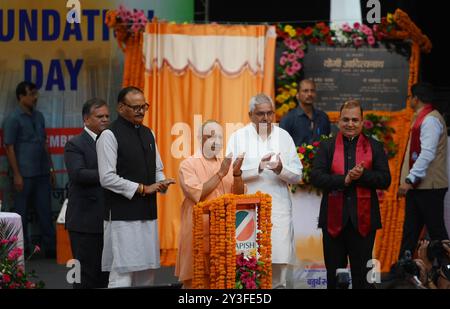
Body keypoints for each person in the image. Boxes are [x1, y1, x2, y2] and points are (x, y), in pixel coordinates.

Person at [96, 86, 176, 288]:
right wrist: (142, 188)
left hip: (148, 213)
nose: (141, 111)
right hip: (122, 216)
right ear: (121, 107)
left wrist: (162, 183)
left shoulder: (148, 133)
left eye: (144, 107)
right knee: (122, 273)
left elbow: (158, 169)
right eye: (136, 107)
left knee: (146, 273)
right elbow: (106, 178)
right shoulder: (109, 135)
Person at [311, 100, 391, 289]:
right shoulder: (327, 146)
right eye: (346, 119)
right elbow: (316, 177)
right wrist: (343, 180)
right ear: (338, 121)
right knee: (335, 277)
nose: (350, 124)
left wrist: (363, 176)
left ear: (362, 122)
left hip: (363, 222)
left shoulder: (374, 146)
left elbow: (385, 180)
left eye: (355, 120)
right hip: (332, 222)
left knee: (363, 279)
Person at [226, 93, 303, 288]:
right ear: (250, 114)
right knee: (248, 267)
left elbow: (298, 175)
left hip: (278, 210)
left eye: (270, 113)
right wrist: (258, 167)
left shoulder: (283, 136)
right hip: (247, 213)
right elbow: (228, 175)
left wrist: (280, 169)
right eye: (261, 114)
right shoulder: (238, 137)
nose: (266, 118)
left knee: (279, 266)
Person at [176, 120, 245, 288]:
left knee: (224, 281)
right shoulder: (188, 164)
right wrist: (221, 173)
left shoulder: (227, 164)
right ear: (200, 139)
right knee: (198, 284)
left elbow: (239, 196)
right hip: (199, 233)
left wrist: (236, 175)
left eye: (220, 137)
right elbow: (197, 194)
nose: (216, 141)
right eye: (211, 136)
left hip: (224, 233)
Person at [2, 81, 56, 258]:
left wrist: (51, 168)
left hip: (41, 173)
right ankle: (20, 251)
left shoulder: (39, 116)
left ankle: (51, 249)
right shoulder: (13, 119)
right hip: (23, 175)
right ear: (21, 96)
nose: (35, 97)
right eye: (31, 94)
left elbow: (45, 144)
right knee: (21, 214)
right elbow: (9, 148)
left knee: (45, 212)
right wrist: (17, 175)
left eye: (35, 94)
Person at [398, 83, 449, 258]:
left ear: (416, 99)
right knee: (410, 232)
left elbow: (427, 153)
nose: (409, 100)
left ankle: (446, 273)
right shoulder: (422, 117)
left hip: (429, 188)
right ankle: (402, 271)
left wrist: (410, 179)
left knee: (437, 234)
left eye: (410, 97)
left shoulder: (430, 120)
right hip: (419, 187)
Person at [64, 98, 110, 288]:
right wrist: (110, 176)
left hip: (109, 220)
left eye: (107, 116)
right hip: (84, 222)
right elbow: (78, 174)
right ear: (86, 119)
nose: (105, 120)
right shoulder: (75, 144)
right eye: (100, 116)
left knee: (106, 275)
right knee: (84, 276)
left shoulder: (111, 141)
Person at [280, 79, 331, 147]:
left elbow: (328, 142)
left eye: (312, 91)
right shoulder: (288, 119)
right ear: (297, 95)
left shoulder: (323, 117)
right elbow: (282, 146)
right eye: (305, 91)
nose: (309, 94)